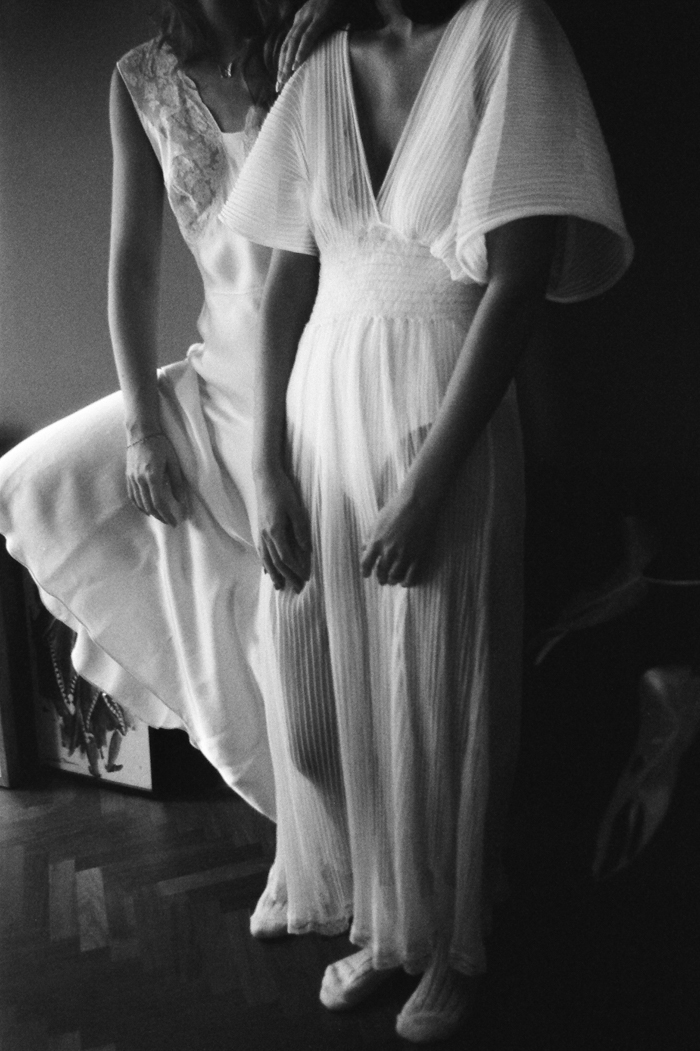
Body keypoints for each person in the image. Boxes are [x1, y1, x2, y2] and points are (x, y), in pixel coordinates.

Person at [220, 0, 633, 1040]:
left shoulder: (507, 31)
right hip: (318, 414)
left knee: (437, 691)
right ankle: (385, 910)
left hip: (438, 415)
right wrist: (264, 464)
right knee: (318, 713)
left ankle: (448, 937)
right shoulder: (323, 66)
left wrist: (430, 482)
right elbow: (284, 281)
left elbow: (518, 279)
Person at [0, 0, 348, 927]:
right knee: (36, 479)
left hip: (329, 375)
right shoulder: (140, 79)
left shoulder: (315, 39)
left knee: (305, 642)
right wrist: (145, 427)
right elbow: (134, 264)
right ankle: (311, 849)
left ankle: (346, 855)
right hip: (219, 379)